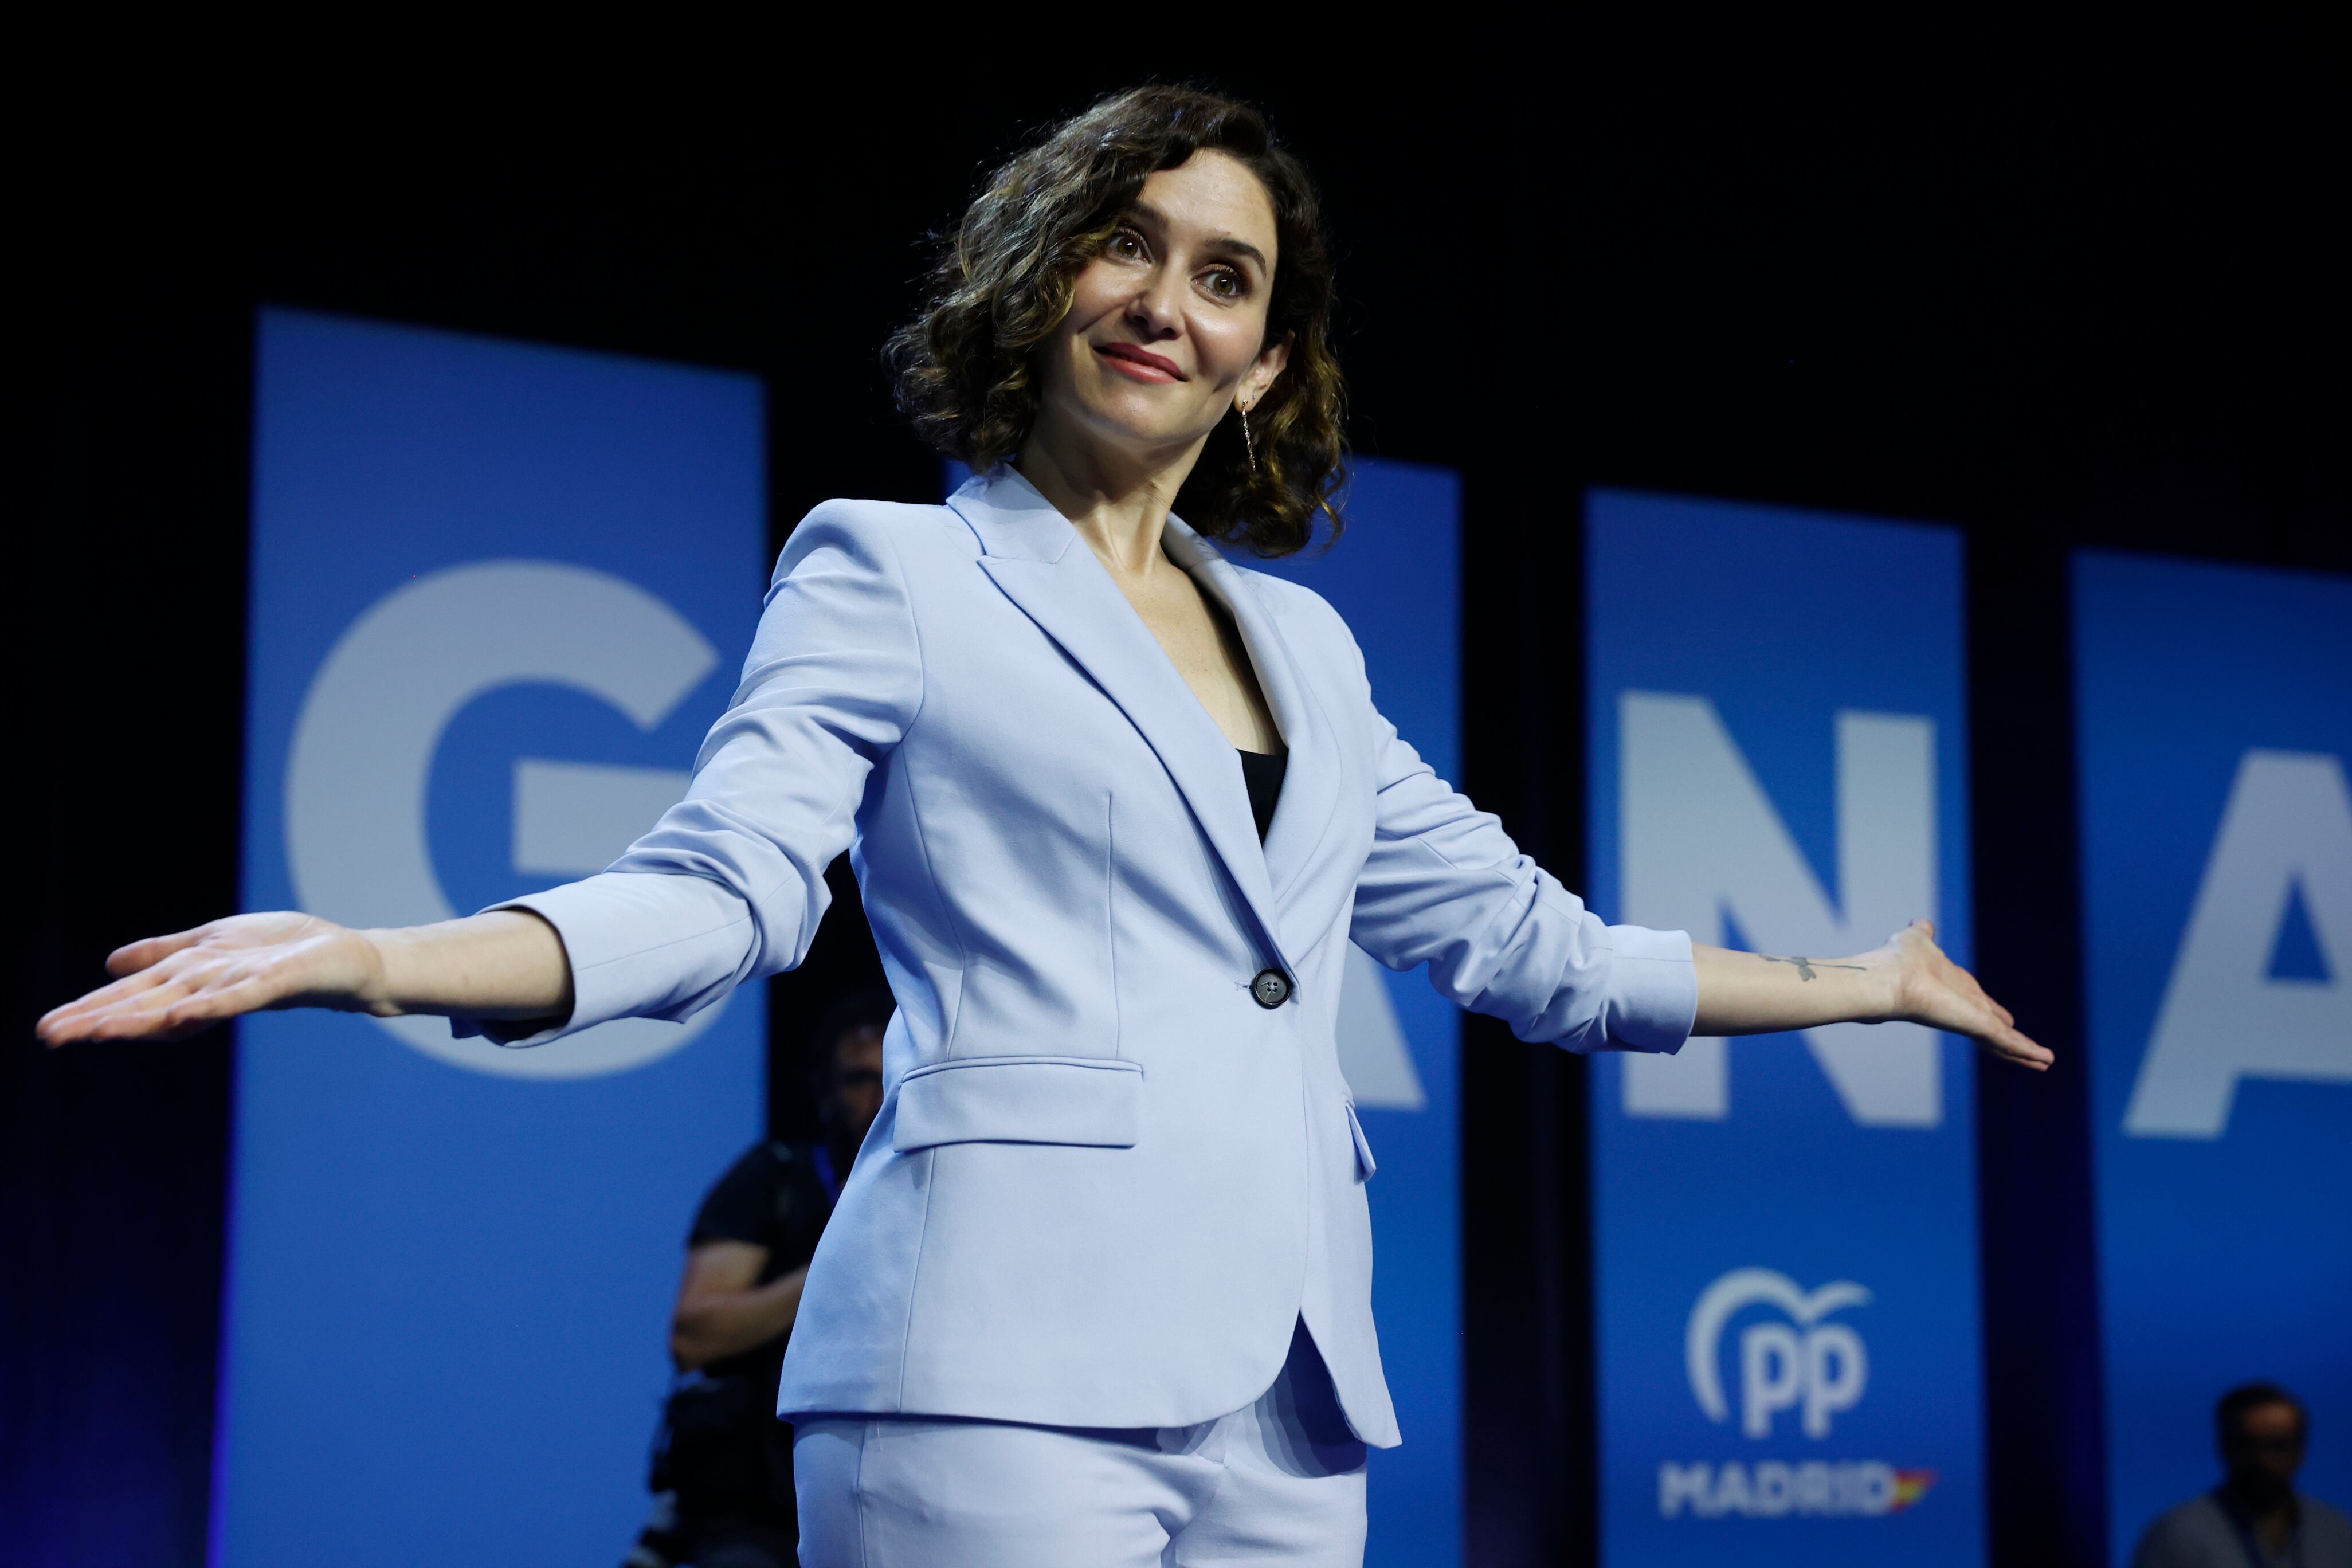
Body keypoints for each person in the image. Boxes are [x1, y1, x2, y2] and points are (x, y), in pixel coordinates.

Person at [37, 85, 2050, 1567]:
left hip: (1291, 1396)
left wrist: (1856, 976)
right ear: (1042, 272)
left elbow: (1541, 950)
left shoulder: (1314, 651)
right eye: (1128, 243)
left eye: (1225, 275)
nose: (1167, 298)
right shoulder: (894, 568)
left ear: (1265, 363)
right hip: (984, 1367)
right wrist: (379, 954)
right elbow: (721, 891)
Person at [622, 991, 891, 1568]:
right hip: (758, 1503)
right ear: (825, 1093)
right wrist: (842, 1257)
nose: (881, 1098)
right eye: (862, 1080)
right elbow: (696, 1336)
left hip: (897, 1484)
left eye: (895, 1078)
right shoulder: (776, 1178)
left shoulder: (947, 1195)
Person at [2134, 1383, 2352, 1568]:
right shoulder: (2178, 1536)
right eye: (2247, 1445)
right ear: (2224, 1446)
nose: (2262, 1459)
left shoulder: (2337, 1534)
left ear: (2300, 1450)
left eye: (2277, 1445)